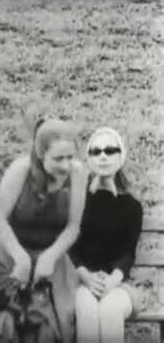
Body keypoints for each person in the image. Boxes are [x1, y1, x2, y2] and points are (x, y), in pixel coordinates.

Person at [0, 118, 88, 343]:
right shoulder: (21, 170)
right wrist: (21, 258)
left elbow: (72, 227)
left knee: (51, 324)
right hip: (12, 254)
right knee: (7, 320)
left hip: (53, 258)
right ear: (40, 154)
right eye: (58, 158)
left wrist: (50, 257)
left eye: (70, 157)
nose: (66, 165)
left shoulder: (78, 174)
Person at [70, 127, 143, 343]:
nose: (103, 156)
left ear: (121, 157)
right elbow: (71, 247)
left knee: (110, 310)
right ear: (89, 158)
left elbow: (128, 252)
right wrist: (84, 275)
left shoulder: (131, 206)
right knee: (87, 311)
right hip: (83, 282)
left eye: (110, 150)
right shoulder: (77, 201)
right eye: (96, 151)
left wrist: (112, 280)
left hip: (118, 285)